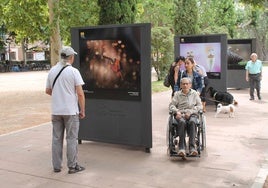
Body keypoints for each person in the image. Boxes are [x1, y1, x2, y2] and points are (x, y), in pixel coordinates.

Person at [45, 46, 86, 174]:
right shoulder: (73, 72)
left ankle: (56, 167)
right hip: (70, 111)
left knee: (56, 139)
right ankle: (72, 166)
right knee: (71, 139)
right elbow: (80, 93)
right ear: (71, 57)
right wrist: (82, 110)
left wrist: (59, 96)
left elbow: (48, 90)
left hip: (56, 111)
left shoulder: (52, 71)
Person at [169, 77, 203, 157]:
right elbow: (171, 105)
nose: (185, 85)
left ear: (190, 85)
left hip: (192, 114)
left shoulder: (194, 93)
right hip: (180, 114)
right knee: (182, 122)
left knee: (192, 121)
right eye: (183, 84)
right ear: (180, 85)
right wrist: (177, 111)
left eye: (187, 84)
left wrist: (190, 112)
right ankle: (182, 148)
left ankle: (192, 148)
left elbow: (200, 106)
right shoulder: (177, 94)